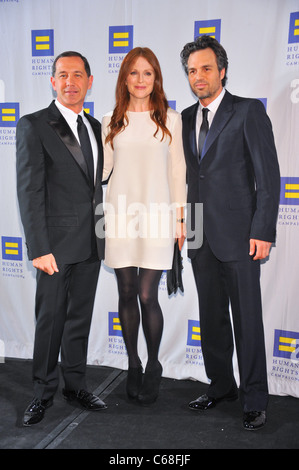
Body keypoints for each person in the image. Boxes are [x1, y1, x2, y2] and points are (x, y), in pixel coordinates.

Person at [180, 36, 280, 430]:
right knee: (211, 318)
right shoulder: (185, 117)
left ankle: (255, 398)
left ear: (222, 71)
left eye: (206, 68)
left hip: (240, 236)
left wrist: (263, 229)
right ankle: (221, 385)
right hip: (200, 234)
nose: (198, 76)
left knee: (248, 320)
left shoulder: (248, 111)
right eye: (191, 70)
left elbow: (268, 178)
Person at [16, 51, 107, 426]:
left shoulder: (96, 126)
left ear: (89, 81)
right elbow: (29, 190)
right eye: (63, 75)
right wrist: (39, 247)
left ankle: (76, 385)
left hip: (91, 243)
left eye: (78, 75)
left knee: (79, 319)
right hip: (53, 246)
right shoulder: (34, 124)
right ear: (52, 81)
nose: (71, 81)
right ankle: (41, 393)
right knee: (50, 320)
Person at [101, 47, 186, 405]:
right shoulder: (109, 120)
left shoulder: (171, 119)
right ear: (124, 78)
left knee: (147, 294)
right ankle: (132, 363)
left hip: (157, 216)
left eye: (147, 73)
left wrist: (182, 220)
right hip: (119, 214)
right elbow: (102, 172)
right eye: (133, 73)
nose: (140, 80)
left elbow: (177, 171)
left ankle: (154, 364)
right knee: (125, 293)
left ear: (157, 78)